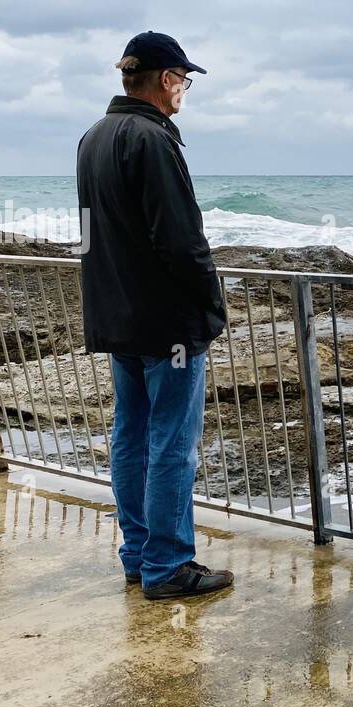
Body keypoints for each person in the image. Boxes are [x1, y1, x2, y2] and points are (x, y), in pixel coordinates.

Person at [76, 31, 233, 600]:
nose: (184, 91)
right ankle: (168, 566)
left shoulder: (92, 137)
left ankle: (139, 556)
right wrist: (211, 305)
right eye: (184, 81)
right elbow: (181, 241)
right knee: (171, 442)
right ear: (167, 80)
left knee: (132, 434)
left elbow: (95, 235)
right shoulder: (151, 139)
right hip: (166, 323)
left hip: (120, 317)